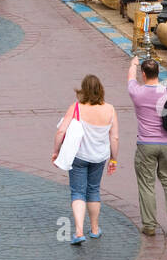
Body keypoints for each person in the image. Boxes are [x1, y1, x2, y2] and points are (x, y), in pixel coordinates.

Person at [51, 75, 119, 245]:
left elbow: (61, 132)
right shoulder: (110, 109)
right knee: (94, 190)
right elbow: (115, 137)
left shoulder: (76, 108)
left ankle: (79, 231)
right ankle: (95, 229)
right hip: (99, 157)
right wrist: (113, 159)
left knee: (77, 192)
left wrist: (56, 151)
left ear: (83, 90)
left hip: (79, 156)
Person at [127, 57, 167, 238]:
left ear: (144, 74)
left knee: (146, 184)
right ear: (158, 74)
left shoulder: (137, 93)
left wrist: (133, 64)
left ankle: (149, 225)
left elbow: (130, 79)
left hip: (146, 144)